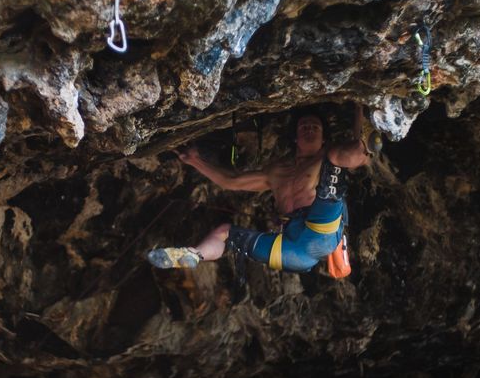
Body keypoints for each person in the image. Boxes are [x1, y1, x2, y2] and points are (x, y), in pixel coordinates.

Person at [147, 104, 377, 273]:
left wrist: (359, 107)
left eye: (314, 127)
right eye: (304, 126)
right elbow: (231, 182)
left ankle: (367, 142)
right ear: (295, 137)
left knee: (338, 157)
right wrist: (195, 160)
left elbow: (344, 156)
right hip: (293, 251)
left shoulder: (326, 155)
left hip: (321, 232)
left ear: (323, 137)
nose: (309, 129)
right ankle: (193, 254)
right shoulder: (276, 172)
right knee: (225, 233)